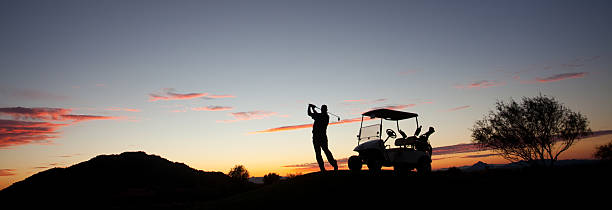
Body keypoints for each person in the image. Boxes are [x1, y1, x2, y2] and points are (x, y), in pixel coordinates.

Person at [308, 104, 338, 172]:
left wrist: (311, 108)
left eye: (323, 109)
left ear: (325, 110)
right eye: (322, 109)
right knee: (318, 153)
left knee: (326, 151)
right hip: (316, 137)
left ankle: (334, 164)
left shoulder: (325, 116)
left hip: (321, 137)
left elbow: (312, 114)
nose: (322, 110)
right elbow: (310, 114)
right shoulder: (321, 115)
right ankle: (322, 168)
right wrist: (311, 108)